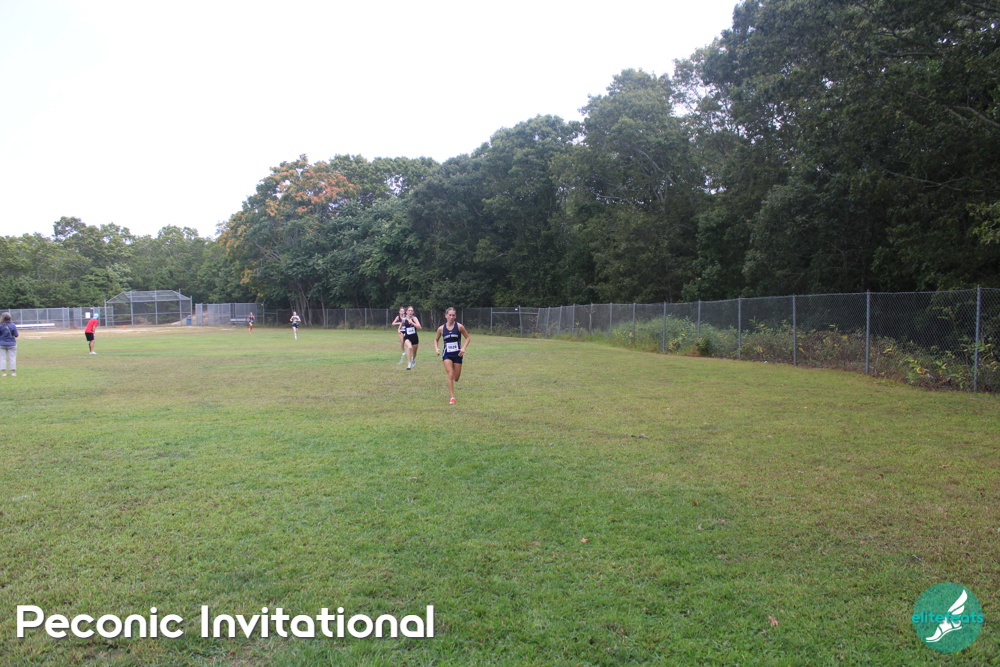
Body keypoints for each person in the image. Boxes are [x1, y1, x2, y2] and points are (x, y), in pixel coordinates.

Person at [434, 307, 470, 404]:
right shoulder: (441, 328)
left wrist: (463, 348)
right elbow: (436, 340)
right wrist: (436, 349)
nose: (451, 317)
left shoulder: (459, 327)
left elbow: (468, 338)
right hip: (447, 355)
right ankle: (452, 397)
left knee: (456, 378)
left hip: (458, 354)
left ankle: (453, 380)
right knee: (450, 374)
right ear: (446, 315)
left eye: (453, 315)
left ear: (455, 316)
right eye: (449, 315)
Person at [0, 312, 18, 377]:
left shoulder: (0, 325)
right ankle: (13, 373)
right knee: (12, 358)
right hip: (12, 343)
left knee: (2, 358)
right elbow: (16, 335)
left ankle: (4, 373)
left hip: (2, 344)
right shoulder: (13, 325)